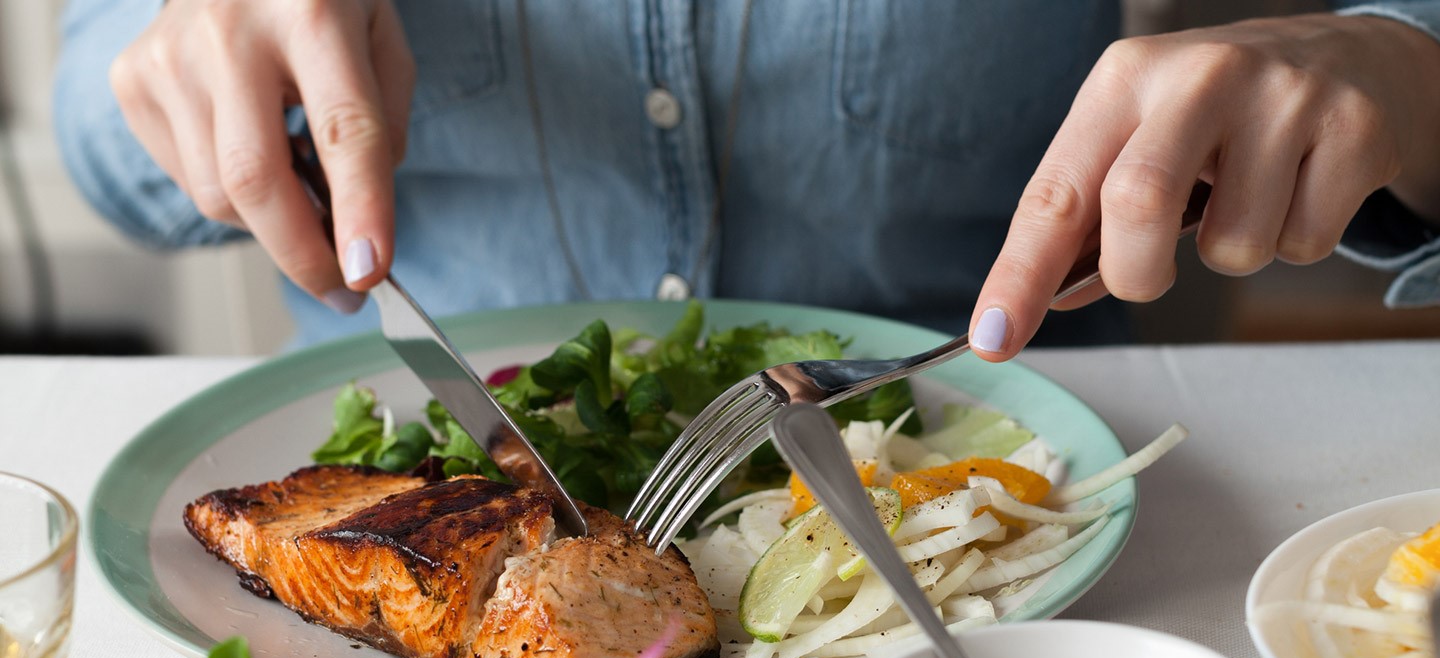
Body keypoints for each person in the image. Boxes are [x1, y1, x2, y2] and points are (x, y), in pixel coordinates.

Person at [52, 1, 1440, 354]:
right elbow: (98, 129)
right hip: (397, 603)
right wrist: (176, 54)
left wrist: (1400, 61)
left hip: (1025, 522)